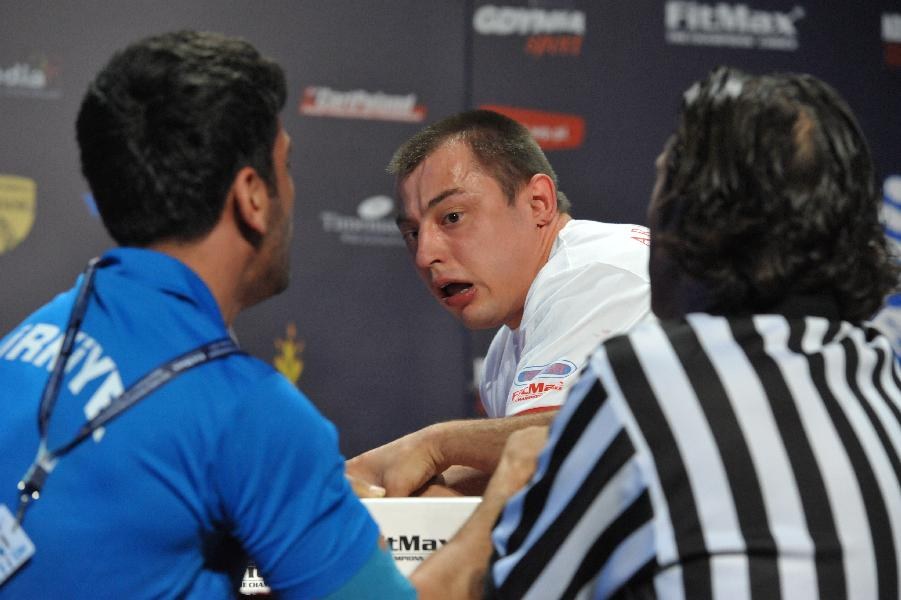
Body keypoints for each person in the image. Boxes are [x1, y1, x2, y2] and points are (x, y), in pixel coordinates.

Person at [0, 31, 414, 599]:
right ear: (253, 196)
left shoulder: (30, 338)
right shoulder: (250, 414)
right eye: (285, 165)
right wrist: (509, 494)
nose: (292, 191)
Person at [476, 67, 901, 598]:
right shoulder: (883, 377)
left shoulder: (645, 381)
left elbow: (518, 589)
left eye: (662, 180)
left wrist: (512, 478)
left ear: (690, 216)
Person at [347, 109, 653, 496]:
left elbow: (567, 443)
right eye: (411, 232)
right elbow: (528, 481)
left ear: (538, 203)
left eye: (452, 216)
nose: (425, 254)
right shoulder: (502, 354)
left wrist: (437, 445)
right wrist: (381, 494)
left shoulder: (599, 271)